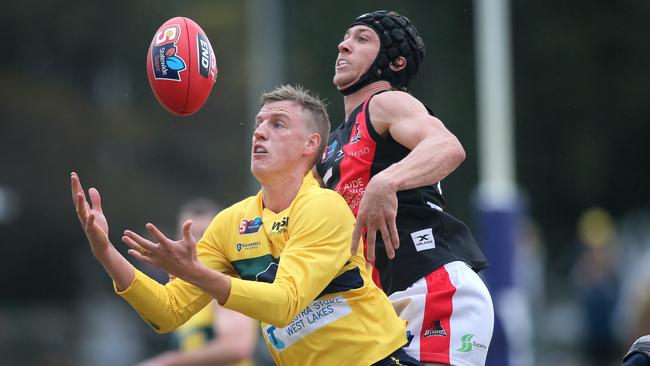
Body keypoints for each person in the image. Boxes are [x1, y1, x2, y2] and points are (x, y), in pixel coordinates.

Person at [71, 85, 421, 366]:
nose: (260, 133)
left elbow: (284, 304)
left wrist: (197, 273)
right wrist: (106, 254)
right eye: (258, 124)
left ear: (310, 144)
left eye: (277, 124)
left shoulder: (324, 207)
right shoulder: (231, 223)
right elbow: (167, 312)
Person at [314, 10, 494, 366]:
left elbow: (447, 147)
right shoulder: (332, 144)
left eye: (361, 39)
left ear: (394, 62)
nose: (344, 44)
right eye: (346, 37)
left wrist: (387, 180)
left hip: (432, 288)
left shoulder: (386, 103)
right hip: (384, 306)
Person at [135, 199, 257, 366]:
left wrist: (168, 362)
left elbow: (237, 346)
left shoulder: (226, 283)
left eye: (204, 234)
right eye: (186, 234)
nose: (194, 243)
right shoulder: (182, 292)